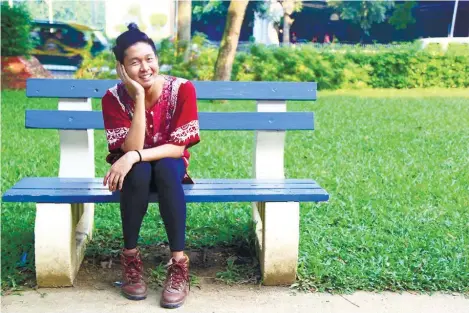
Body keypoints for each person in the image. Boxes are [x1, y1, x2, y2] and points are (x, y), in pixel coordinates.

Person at [101, 23, 200, 309]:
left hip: (169, 168)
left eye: (149, 59)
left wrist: (133, 156)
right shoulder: (113, 98)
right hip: (136, 174)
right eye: (134, 62)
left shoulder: (182, 89)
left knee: (168, 167)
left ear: (156, 59)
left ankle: (178, 264)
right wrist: (140, 98)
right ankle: (131, 258)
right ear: (121, 68)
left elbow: (178, 148)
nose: (145, 67)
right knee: (140, 169)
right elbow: (130, 148)